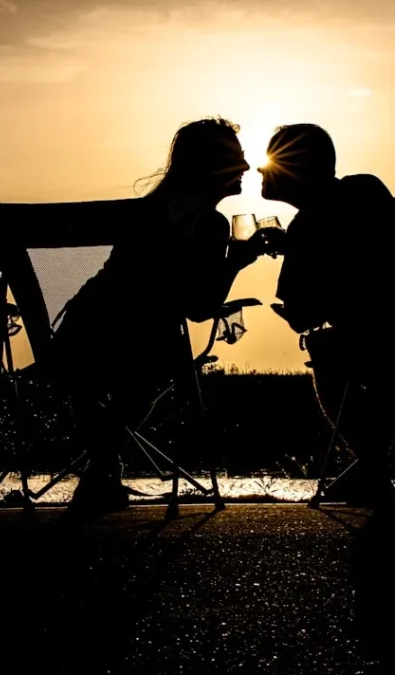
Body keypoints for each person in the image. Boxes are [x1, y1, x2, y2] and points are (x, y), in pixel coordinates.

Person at [52, 117, 264, 519]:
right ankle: (102, 466)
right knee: (155, 357)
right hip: (143, 347)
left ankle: (102, 468)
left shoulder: (142, 212)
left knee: (96, 376)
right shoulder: (210, 224)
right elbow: (199, 307)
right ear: (211, 166)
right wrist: (237, 261)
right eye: (237, 158)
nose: (247, 167)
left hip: (76, 335)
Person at [260, 123, 395, 508]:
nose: (261, 171)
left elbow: (300, 315)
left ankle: (371, 469)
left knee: (328, 350)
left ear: (293, 172)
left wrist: (296, 253)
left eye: (270, 162)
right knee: (377, 343)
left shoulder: (306, 227)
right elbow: (369, 259)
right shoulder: (366, 190)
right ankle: (370, 472)